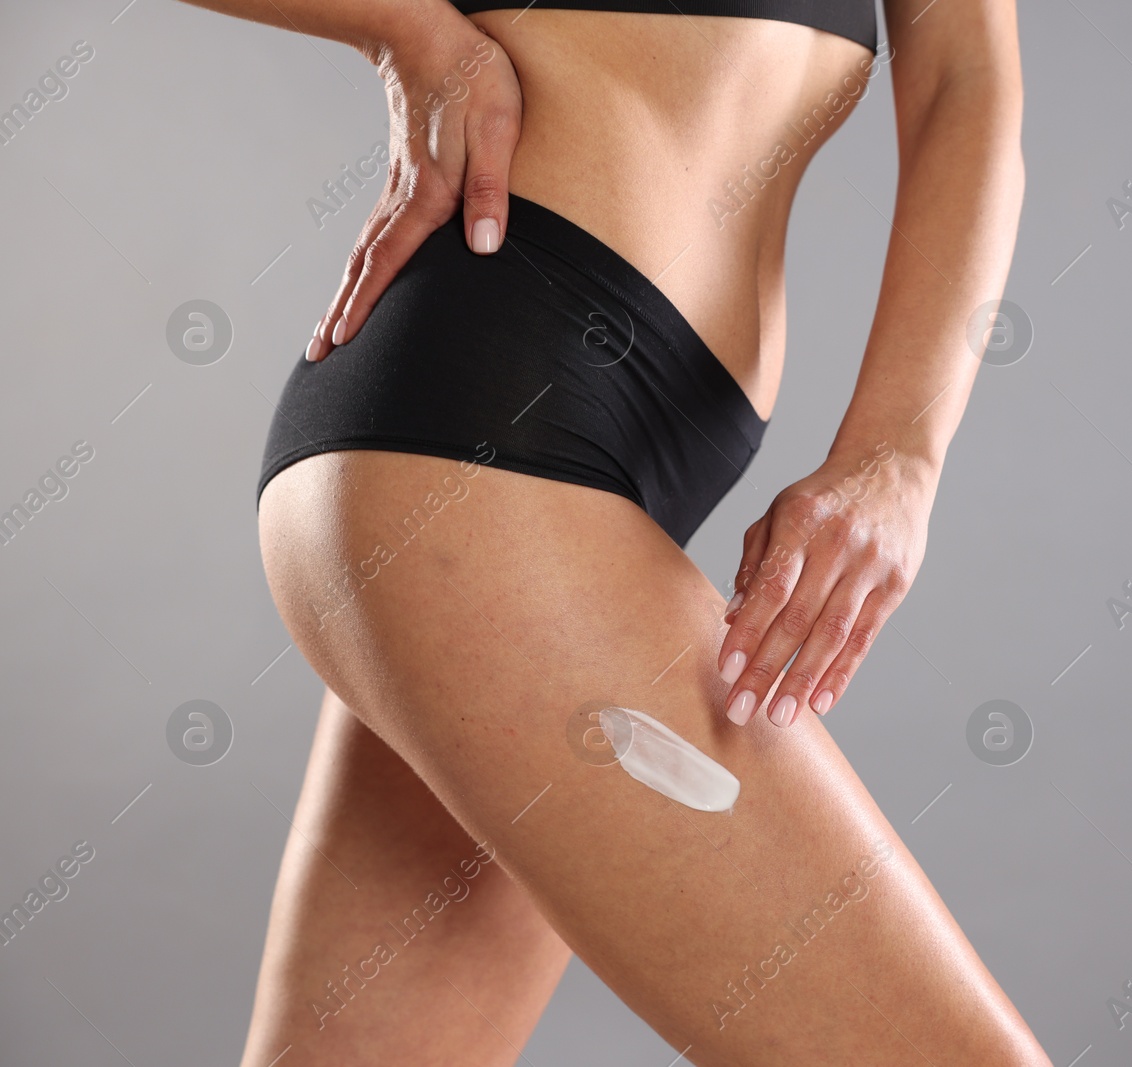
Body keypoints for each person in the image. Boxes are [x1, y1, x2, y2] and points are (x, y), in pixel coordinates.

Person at [189, 0, 1039, 1061]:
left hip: (557, 460)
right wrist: (410, 33)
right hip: (485, 443)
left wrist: (898, 453)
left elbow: (966, 77)